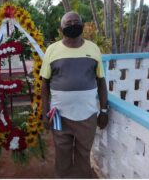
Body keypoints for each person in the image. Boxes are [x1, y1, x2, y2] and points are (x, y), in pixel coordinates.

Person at [40, 11, 108, 178]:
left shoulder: (93, 48)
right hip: (60, 117)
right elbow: (44, 84)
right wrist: (43, 114)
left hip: (87, 116)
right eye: (68, 23)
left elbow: (101, 81)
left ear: (82, 25)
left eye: (76, 22)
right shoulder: (52, 50)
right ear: (61, 28)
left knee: (83, 156)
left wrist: (104, 110)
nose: (72, 25)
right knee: (62, 157)